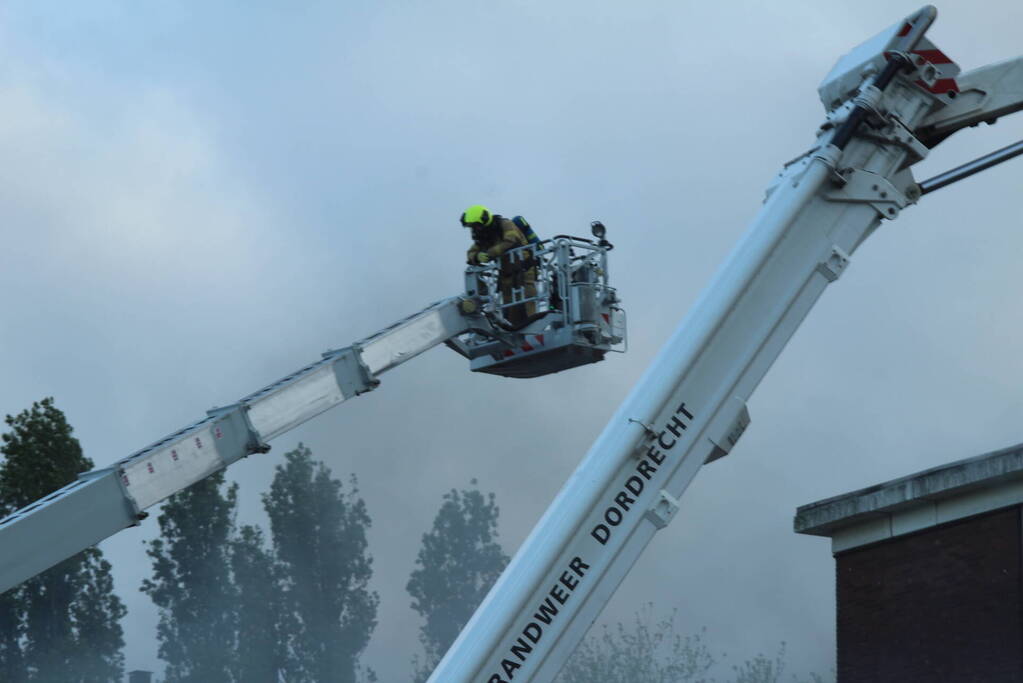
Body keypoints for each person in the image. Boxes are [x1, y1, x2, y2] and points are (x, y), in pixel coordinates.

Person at [460, 205, 538, 326]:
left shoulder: (505, 224)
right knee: (508, 306)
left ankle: (533, 329)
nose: (475, 229)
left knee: (527, 298)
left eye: (475, 226)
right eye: (472, 227)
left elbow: (511, 240)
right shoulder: (484, 235)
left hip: (524, 267)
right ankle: (512, 330)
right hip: (506, 273)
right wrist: (477, 256)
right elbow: (471, 253)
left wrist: (489, 253)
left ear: (484, 220)